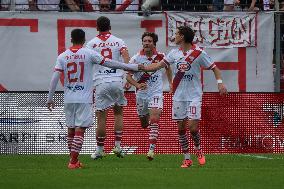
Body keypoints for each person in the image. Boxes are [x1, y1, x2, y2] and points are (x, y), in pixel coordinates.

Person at [46, 28, 138, 169]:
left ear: (71, 39)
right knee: (80, 130)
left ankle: (74, 160)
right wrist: (128, 66)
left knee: (71, 130)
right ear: (83, 40)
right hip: (84, 98)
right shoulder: (88, 53)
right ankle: (73, 162)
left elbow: (55, 77)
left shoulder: (63, 56)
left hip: (69, 98)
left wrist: (50, 98)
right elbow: (109, 63)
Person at [139, 26, 228, 168]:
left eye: (176, 34)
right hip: (178, 96)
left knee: (193, 128)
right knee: (181, 129)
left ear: (183, 37)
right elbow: (158, 65)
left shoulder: (199, 53)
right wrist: (143, 67)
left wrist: (220, 84)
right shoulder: (174, 53)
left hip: (194, 95)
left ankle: (198, 149)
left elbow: (214, 68)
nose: (174, 36)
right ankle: (187, 158)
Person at [86, 16, 130, 160]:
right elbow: (126, 58)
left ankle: (100, 150)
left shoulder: (91, 44)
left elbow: (86, 64)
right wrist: (128, 75)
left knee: (101, 118)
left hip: (101, 83)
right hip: (117, 81)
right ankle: (118, 147)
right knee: (118, 114)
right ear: (110, 27)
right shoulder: (119, 41)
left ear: (97, 27)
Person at [126, 32, 172, 160]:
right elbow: (128, 76)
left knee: (155, 119)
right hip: (141, 95)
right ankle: (147, 126)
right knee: (144, 124)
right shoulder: (136, 59)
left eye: (149, 41)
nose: (146, 43)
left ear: (154, 43)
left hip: (156, 92)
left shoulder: (161, 56)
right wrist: (137, 84)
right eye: (145, 41)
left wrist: (171, 83)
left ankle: (151, 150)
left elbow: (168, 68)